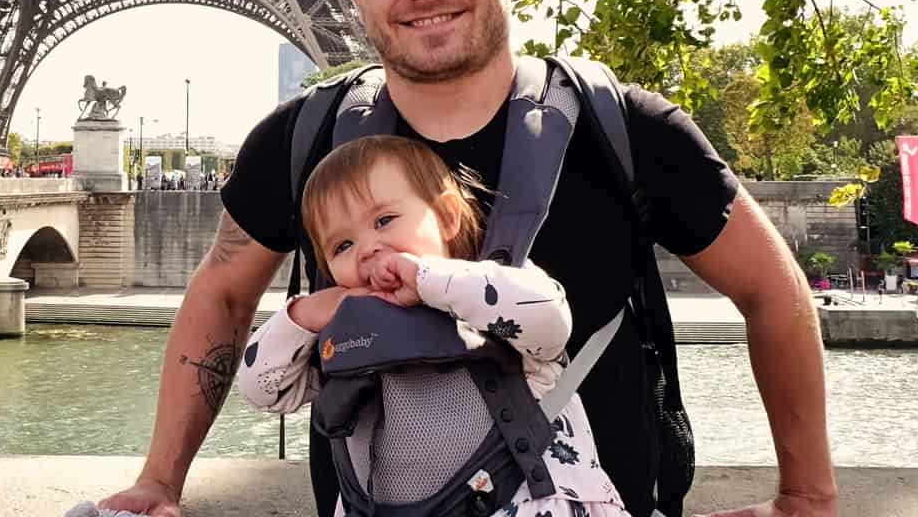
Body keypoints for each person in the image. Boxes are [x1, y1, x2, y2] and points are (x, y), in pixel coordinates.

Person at [101, 0, 837, 517]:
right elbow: (225, 291)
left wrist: (806, 495)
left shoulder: (629, 129)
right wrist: (159, 482)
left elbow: (773, 290)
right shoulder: (298, 142)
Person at [237, 135, 627, 516]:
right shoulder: (347, 335)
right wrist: (308, 314)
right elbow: (262, 390)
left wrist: (427, 279)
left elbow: (552, 322)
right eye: (342, 246)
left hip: (529, 496)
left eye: (385, 220)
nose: (367, 249)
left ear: (446, 216)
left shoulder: (488, 289)